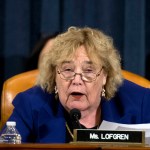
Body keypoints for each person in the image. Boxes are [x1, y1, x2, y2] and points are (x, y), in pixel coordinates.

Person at [1, 26, 150, 143]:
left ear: (104, 76)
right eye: (67, 70)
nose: (77, 80)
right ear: (54, 75)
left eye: (89, 70)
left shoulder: (140, 102)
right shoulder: (30, 104)